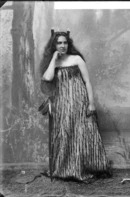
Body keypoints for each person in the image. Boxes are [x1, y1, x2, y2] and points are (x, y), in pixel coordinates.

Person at [39, 29, 109, 183]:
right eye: (59, 43)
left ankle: (83, 167)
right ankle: (65, 168)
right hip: (62, 104)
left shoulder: (77, 59)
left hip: (80, 101)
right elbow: (47, 77)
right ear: (54, 45)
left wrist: (91, 103)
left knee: (81, 134)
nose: (62, 45)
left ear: (68, 44)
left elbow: (87, 82)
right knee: (65, 134)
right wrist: (53, 59)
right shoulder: (54, 62)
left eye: (65, 43)